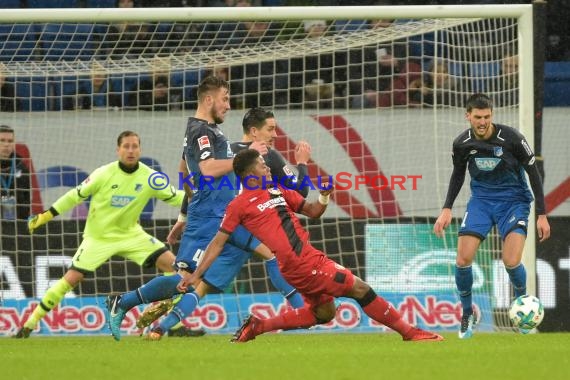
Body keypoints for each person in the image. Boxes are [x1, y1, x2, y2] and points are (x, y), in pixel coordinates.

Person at [106, 76, 301, 341]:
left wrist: (186, 210)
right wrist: (242, 160)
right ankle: (124, 302)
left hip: (223, 213)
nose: (228, 105)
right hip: (209, 217)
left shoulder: (209, 130)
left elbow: (183, 169)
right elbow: (207, 169)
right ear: (208, 100)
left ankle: (304, 313)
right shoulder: (201, 132)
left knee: (272, 253)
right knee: (185, 281)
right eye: (224, 99)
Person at [177, 149, 443, 343]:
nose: (267, 167)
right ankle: (410, 332)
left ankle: (259, 326)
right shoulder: (238, 205)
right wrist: (196, 275)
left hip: (301, 263)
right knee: (360, 288)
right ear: (249, 173)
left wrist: (325, 196)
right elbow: (217, 242)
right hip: (303, 264)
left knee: (325, 313)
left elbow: (314, 211)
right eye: (262, 165)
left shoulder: (279, 191)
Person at [134, 106, 312, 332]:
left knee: (198, 285)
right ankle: (305, 316)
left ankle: (161, 326)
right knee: (273, 257)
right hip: (246, 224)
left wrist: (183, 217)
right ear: (254, 132)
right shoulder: (266, 156)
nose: (275, 135)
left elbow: (198, 184)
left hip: (219, 225)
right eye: (271, 129)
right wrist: (303, 162)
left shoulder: (226, 153)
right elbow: (302, 192)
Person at [13, 130, 185, 338]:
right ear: (118, 150)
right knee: (71, 278)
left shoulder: (150, 177)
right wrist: (45, 216)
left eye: (134, 146)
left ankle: (171, 326)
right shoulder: (103, 173)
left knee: (174, 267)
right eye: (126, 146)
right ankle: (28, 325)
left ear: (140, 149)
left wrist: (205, 195)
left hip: (131, 235)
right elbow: (74, 196)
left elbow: (177, 197)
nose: (131, 151)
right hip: (98, 238)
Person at [433, 93, 551, 339]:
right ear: (468, 116)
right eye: (477, 117)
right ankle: (468, 314)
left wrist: (542, 214)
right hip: (481, 202)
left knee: (510, 260)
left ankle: (522, 307)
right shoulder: (461, 143)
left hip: (514, 202)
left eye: (487, 116)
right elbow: (458, 175)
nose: (483, 121)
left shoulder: (512, 139)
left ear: (492, 115)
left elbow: (534, 173)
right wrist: (446, 208)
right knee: (463, 260)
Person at [0, 125, 31, 220]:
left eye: (10, 141)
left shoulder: (21, 167)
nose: (6, 144)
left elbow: (27, 200)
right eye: (2, 140)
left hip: (16, 226)